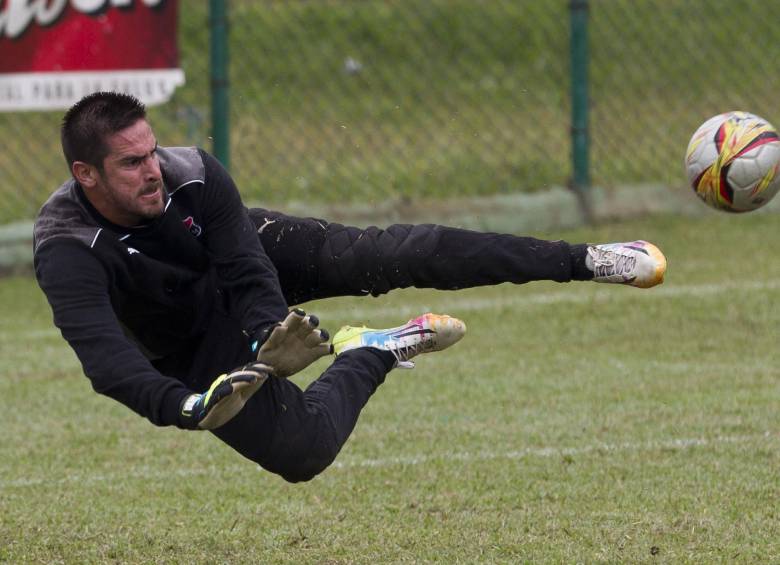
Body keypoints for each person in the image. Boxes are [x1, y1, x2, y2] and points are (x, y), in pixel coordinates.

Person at [33, 92, 667, 483]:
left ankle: (590, 258)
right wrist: (187, 406)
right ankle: (376, 351)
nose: (154, 170)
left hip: (244, 261)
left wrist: (268, 331)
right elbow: (107, 362)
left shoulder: (192, 173)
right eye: (132, 163)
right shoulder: (66, 248)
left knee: (392, 254)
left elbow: (247, 267)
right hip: (185, 341)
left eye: (151, 151)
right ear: (85, 173)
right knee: (304, 454)